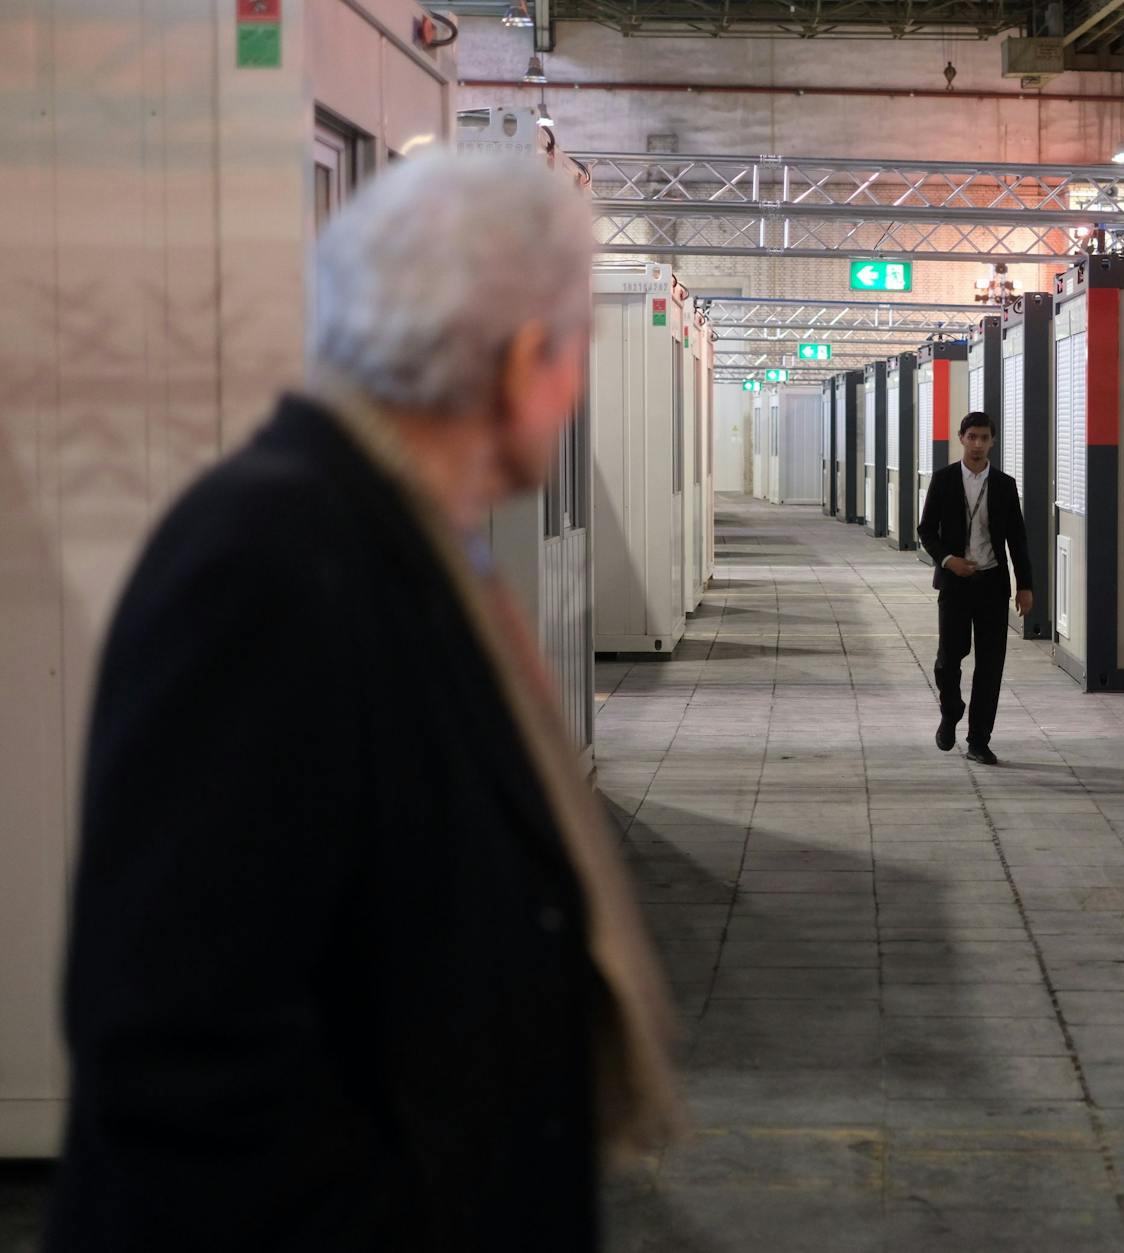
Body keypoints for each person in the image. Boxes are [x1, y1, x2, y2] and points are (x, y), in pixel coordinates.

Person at [48, 154, 679, 1253]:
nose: (576, 386)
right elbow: (183, 1054)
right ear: (525, 355)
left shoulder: (405, 545)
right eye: (577, 346)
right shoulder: (263, 563)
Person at [917, 411, 1034, 766]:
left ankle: (979, 740)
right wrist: (947, 559)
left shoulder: (1004, 485)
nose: (979, 444)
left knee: (990, 665)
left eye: (985, 438)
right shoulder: (944, 479)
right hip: (955, 584)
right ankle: (951, 710)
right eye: (973, 437)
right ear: (961, 438)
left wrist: (1025, 586)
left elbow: (1017, 539)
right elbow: (926, 530)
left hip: (992, 584)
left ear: (992, 442)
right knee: (948, 660)